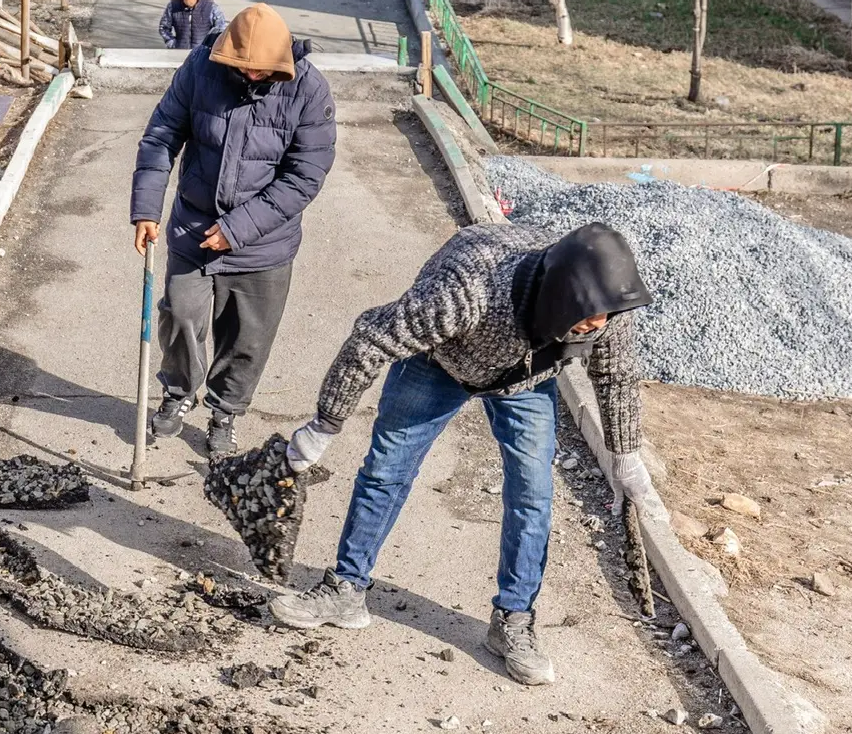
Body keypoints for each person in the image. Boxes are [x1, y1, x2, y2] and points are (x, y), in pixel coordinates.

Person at [269, 220, 659, 686]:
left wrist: (625, 458)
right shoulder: (465, 291)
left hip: (526, 381)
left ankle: (513, 619)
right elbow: (371, 338)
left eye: (603, 318)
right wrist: (326, 422)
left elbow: (615, 377)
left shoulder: (606, 306)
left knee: (533, 494)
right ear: (560, 297)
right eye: (587, 318)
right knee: (387, 471)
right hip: (440, 362)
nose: (597, 326)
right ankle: (345, 589)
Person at [130, 4, 337, 459]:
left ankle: (225, 412)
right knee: (180, 313)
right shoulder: (201, 67)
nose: (251, 76)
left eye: (261, 70)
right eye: (242, 68)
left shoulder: (309, 89)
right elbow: (163, 134)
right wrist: (146, 208)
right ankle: (178, 391)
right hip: (194, 226)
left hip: (263, 243)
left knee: (247, 338)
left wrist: (238, 228)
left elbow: (305, 176)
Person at [159, 0, 227, 50]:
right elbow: (163, 27)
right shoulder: (173, 6)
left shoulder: (210, 7)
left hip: (202, 52)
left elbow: (221, 28)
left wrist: (210, 46)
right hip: (179, 51)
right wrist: (172, 44)